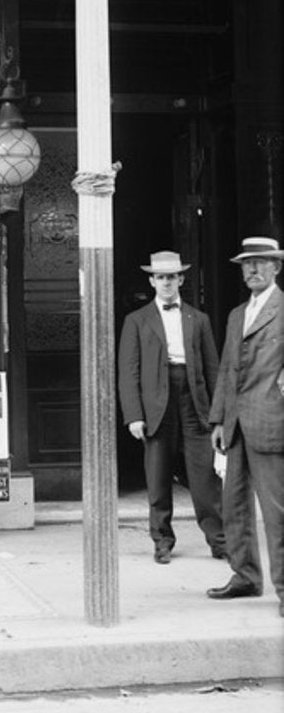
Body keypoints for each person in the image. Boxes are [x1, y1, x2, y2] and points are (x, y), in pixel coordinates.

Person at [118, 250, 225, 564]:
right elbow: (129, 371)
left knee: (205, 475)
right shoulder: (136, 320)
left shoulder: (198, 319)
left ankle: (219, 540)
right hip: (156, 403)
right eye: (161, 277)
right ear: (152, 281)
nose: (166, 282)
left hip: (194, 399)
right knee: (158, 474)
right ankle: (162, 540)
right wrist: (134, 415)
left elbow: (213, 369)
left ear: (181, 279)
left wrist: (218, 414)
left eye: (172, 277)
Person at [206, 236, 284, 617]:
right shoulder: (237, 314)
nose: (252, 269)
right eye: (246, 264)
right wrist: (219, 419)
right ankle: (246, 576)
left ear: (276, 267)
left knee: (277, 512)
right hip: (235, 424)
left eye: (260, 262)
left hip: (272, 421)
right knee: (234, 504)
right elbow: (226, 369)